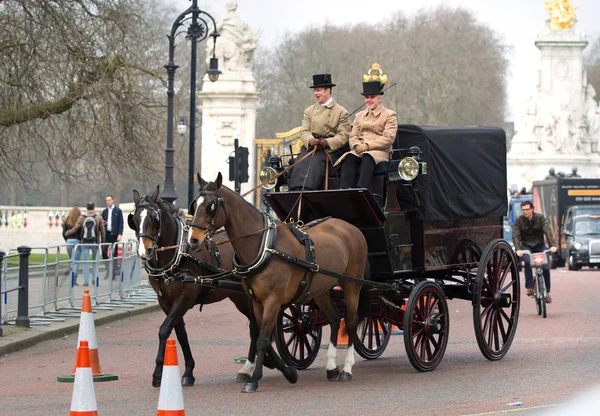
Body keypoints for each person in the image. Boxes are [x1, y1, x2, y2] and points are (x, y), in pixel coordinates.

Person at [288, 73, 351, 191]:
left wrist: (326, 142)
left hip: (329, 150)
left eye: (319, 90)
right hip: (311, 147)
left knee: (316, 161)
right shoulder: (309, 111)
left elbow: (343, 136)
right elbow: (304, 131)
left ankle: (307, 189)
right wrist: (311, 140)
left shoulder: (341, 112)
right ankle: (295, 190)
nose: (316, 93)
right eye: (315, 91)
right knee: (299, 161)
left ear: (328, 90)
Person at [336, 80, 398, 192]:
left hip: (380, 152)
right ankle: (344, 190)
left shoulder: (389, 115)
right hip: (360, 150)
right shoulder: (359, 116)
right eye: (366, 97)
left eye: (372, 97)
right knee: (349, 157)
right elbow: (353, 136)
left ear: (380, 98)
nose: (369, 100)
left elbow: (388, 138)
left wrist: (367, 146)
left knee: (368, 157)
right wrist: (356, 146)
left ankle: (362, 191)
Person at [513, 201, 557, 303]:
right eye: (523, 210)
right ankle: (529, 287)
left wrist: (553, 246)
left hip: (540, 246)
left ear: (532, 209)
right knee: (528, 262)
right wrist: (518, 249)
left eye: (527, 209)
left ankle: (547, 292)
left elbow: (547, 231)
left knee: (546, 267)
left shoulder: (540, 218)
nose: (525, 212)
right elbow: (516, 235)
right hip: (526, 246)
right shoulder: (519, 220)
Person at [65, 202, 105, 287]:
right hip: (95, 243)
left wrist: (67, 233)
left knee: (85, 263)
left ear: (86, 208)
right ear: (94, 208)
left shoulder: (81, 218)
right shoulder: (98, 218)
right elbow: (102, 232)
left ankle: (86, 281)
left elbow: (75, 228)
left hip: (84, 243)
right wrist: (102, 244)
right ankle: (95, 280)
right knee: (95, 262)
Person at [102, 195, 123, 279]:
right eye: (106, 200)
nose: (108, 202)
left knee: (114, 254)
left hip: (115, 235)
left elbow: (121, 223)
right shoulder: (104, 211)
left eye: (109, 200)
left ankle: (113, 273)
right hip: (107, 234)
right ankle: (108, 269)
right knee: (104, 252)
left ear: (113, 200)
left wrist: (120, 234)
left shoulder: (118, 210)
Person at [62, 207, 82, 283]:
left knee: (71, 260)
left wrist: (66, 240)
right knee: (76, 261)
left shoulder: (67, 221)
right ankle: (74, 278)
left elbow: (63, 233)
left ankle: (71, 276)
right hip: (77, 241)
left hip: (69, 241)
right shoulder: (80, 221)